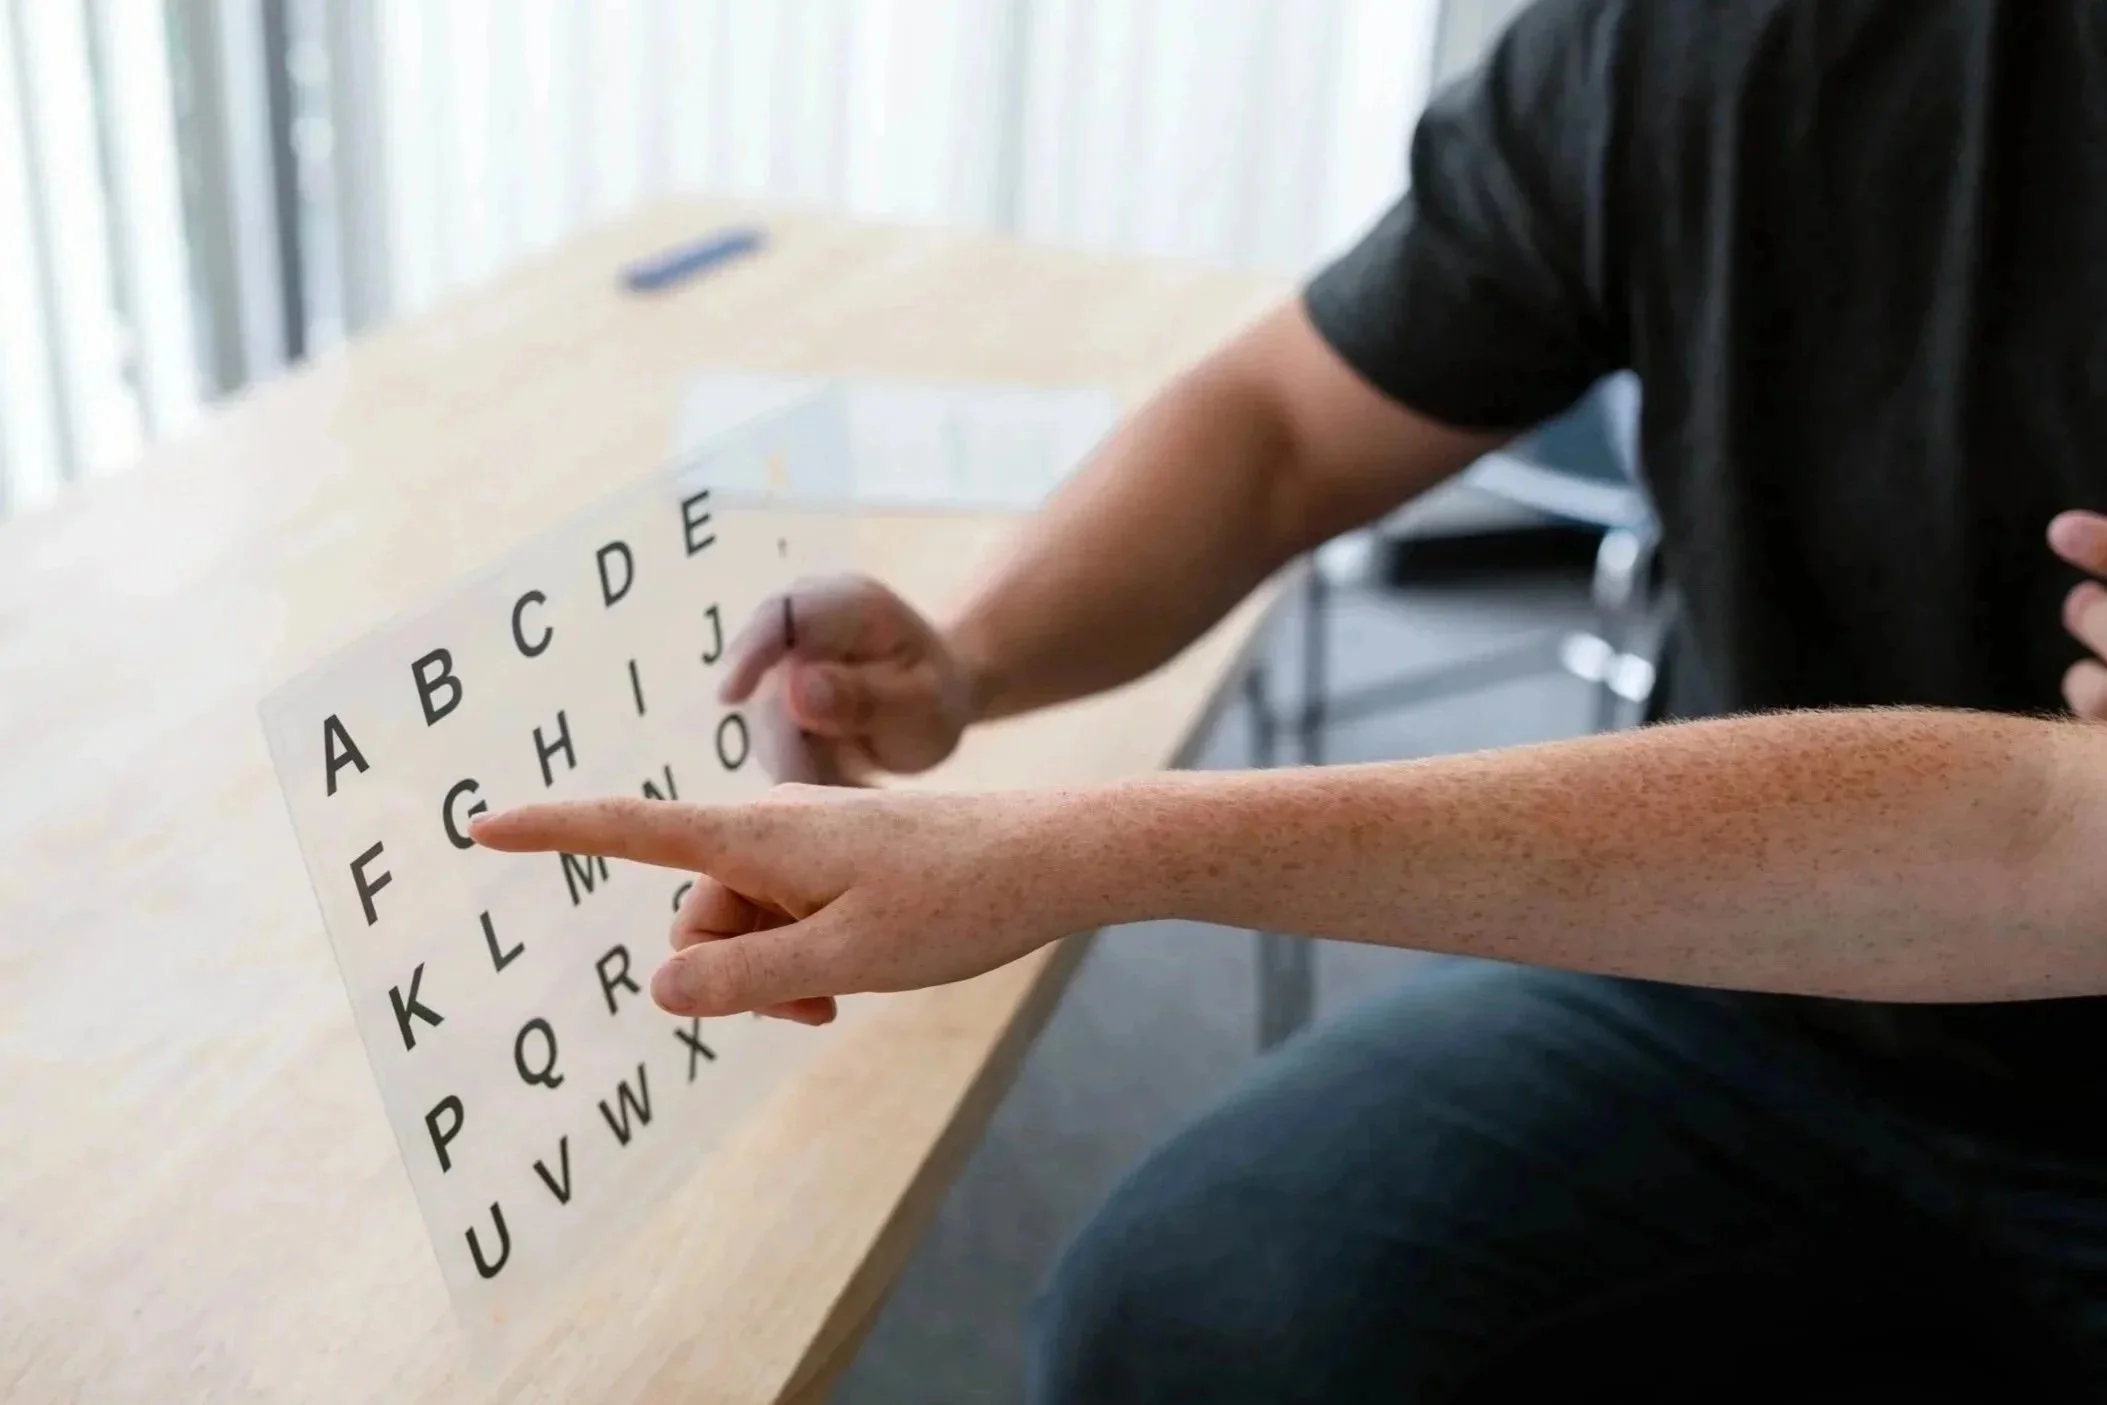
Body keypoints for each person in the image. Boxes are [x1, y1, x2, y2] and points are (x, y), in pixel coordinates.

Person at [476, 0, 2107, 1397]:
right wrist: (970, 658)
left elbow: (2047, 847)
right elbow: (1281, 423)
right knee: (1196, 1309)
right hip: (1734, 984)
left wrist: (1073, 849)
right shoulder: (1700, 38)